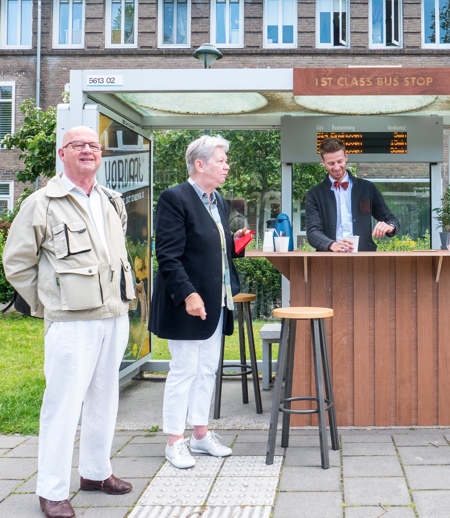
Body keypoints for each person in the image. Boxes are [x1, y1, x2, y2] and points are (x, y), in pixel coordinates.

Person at [3, 126, 134, 518]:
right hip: (71, 322)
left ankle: (96, 473)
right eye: (78, 145)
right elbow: (17, 263)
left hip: (114, 314)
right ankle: (52, 490)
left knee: (104, 399)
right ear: (63, 153)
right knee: (62, 404)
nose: (88, 150)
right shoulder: (42, 202)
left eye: (93, 145)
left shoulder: (111, 199)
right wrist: (48, 305)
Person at [149, 134, 249, 469]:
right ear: (200, 164)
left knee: (208, 369)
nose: (227, 166)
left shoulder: (216, 199)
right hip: (188, 301)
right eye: (221, 160)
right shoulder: (174, 198)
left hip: (217, 300)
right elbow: (168, 256)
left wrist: (231, 241)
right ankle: (174, 441)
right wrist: (189, 294)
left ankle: (200, 435)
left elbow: (209, 247)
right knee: (185, 370)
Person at [306, 137, 400, 252]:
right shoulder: (314, 194)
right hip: (329, 259)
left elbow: (391, 219)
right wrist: (331, 244)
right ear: (323, 162)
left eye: (339, 161)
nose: (336, 167)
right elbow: (312, 232)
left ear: (346, 157)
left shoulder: (367, 188)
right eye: (331, 163)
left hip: (364, 258)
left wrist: (389, 226)